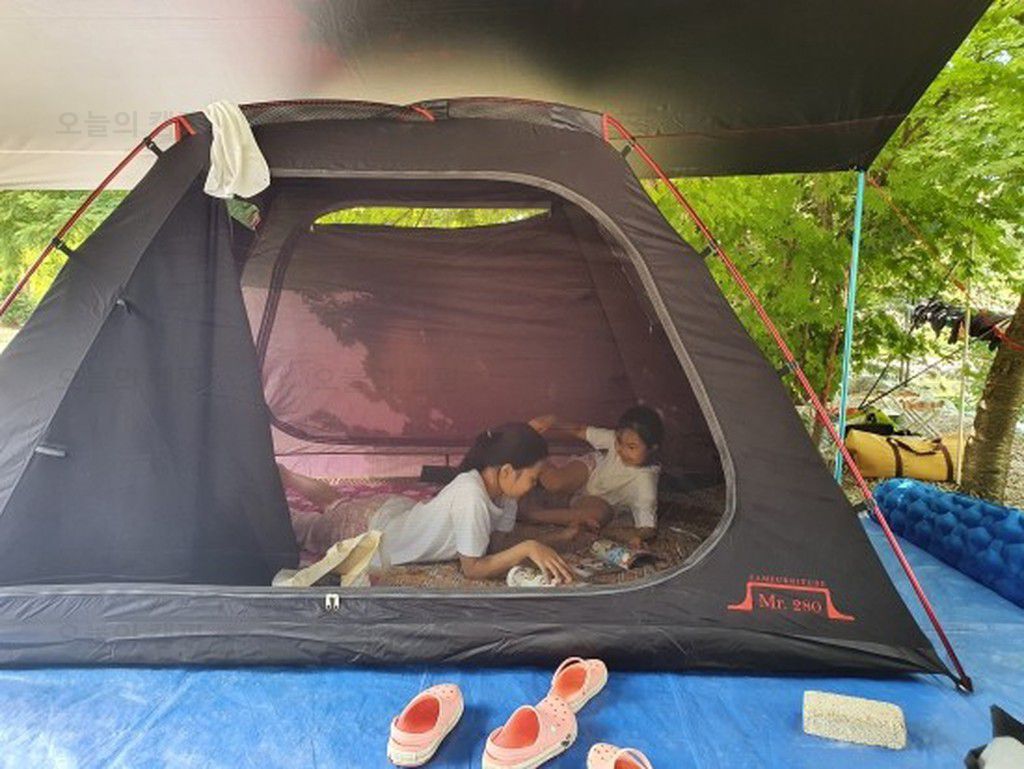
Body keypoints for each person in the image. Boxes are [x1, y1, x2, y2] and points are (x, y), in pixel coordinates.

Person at [280, 422, 577, 583]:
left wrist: (554, 541)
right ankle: (275, 481)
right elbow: (473, 568)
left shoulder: (504, 493)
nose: (535, 485)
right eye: (533, 478)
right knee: (301, 527)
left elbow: (496, 545)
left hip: (395, 514)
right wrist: (528, 547)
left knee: (337, 503)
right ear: (508, 471)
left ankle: (286, 476)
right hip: (371, 533)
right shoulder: (472, 496)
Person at [525, 405, 663, 548]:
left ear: (652, 448)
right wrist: (554, 421)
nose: (621, 450)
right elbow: (580, 430)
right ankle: (532, 456)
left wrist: (638, 537)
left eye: (631, 447)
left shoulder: (645, 481)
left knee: (599, 515)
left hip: (595, 500)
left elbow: (648, 527)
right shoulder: (615, 439)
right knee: (555, 482)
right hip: (589, 472)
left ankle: (533, 515)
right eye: (619, 442)